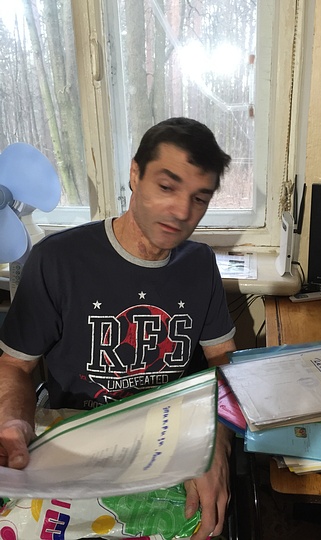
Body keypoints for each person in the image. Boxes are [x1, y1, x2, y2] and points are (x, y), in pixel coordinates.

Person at [0, 117, 236, 539]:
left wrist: (215, 440)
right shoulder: (58, 260)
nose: (183, 212)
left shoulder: (200, 264)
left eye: (199, 199)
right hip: (75, 436)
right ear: (135, 174)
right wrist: (13, 424)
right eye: (167, 187)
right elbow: (16, 366)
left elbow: (223, 359)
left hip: (170, 440)